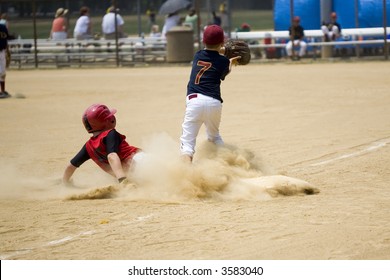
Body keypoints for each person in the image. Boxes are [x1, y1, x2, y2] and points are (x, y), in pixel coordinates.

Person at [180, 25, 240, 162]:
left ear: (203, 41)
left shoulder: (198, 55)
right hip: (214, 103)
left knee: (187, 144)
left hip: (194, 101)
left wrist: (222, 49)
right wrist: (230, 61)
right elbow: (226, 70)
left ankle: (186, 175)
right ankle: (228, 165)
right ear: (222, 42)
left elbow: (213, 50)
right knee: (214, 137)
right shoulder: (223, 62)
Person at [63, 104, 141, 185]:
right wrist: (122, 179)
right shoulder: (110, 133)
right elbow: (112, 156)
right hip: (138, 161)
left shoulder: (88, 146)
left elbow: (70, 167)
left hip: (132, 174)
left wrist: (64, 182)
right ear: (109, 120)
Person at [0, 21, 10, 99]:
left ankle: (2, 91)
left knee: (3, 72)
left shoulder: (3, 27)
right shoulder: (3, 27)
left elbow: (6, 38)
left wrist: (7, 50)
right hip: (2, 51)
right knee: (1, 72)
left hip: (2, 51)